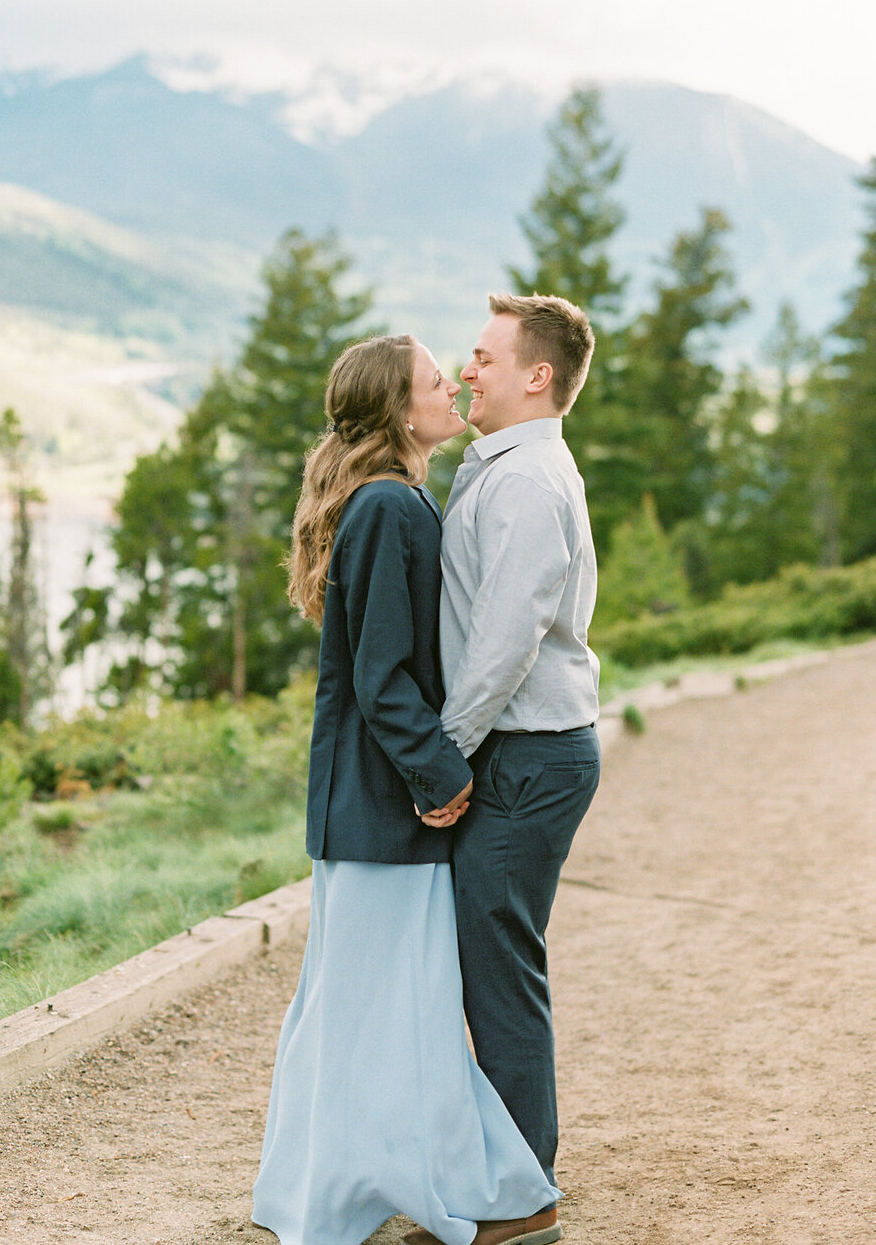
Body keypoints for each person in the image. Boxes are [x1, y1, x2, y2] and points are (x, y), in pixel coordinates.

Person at [252, 333, 562, 1245]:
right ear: (398, 411)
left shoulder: (400, 497)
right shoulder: (390, 506)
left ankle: (355, 1185)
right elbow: (381, 676)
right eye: (437, 380)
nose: (455, 386)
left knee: (372, 1009)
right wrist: (443, 776)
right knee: (388, 1012)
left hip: (374, 803)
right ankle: (457, 1187)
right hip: (383, 807)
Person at [421, 292, 602, 1237]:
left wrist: (443, 756)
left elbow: (507, 634)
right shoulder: (501, 469)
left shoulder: (529, 480)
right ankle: (495, 1174)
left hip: (525, 757)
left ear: (538, 375)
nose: (467, 371)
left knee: (500, 974)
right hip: (519, 751)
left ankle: (522, 1197)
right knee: (488, 967)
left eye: (486, 357)